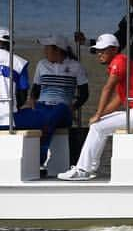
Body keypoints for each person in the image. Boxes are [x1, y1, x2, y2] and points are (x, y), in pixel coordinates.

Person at [58, 34, 133, 181]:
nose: (99, 54)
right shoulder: (123, 66)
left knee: (98, 126)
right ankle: (88, 169)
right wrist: (98, 115)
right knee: (98, 125)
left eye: (103, 50)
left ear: (114, 49)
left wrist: (98, 115)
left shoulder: (119, 61)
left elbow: (107, 88)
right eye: (97, 51)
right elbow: (117, 100)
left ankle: (84, 170)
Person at [13, 34, 90, 166]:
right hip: (43, 107)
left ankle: (40, 157)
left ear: (58, 50)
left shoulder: (76, 67)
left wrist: (73, 107)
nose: (44, 51)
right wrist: (31, 100)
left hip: (62, 109)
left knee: (57, 111)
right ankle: (18, 156)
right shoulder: (42, 64)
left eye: (47, 48)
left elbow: (84, 94)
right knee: (14, 118)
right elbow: (36, 89)